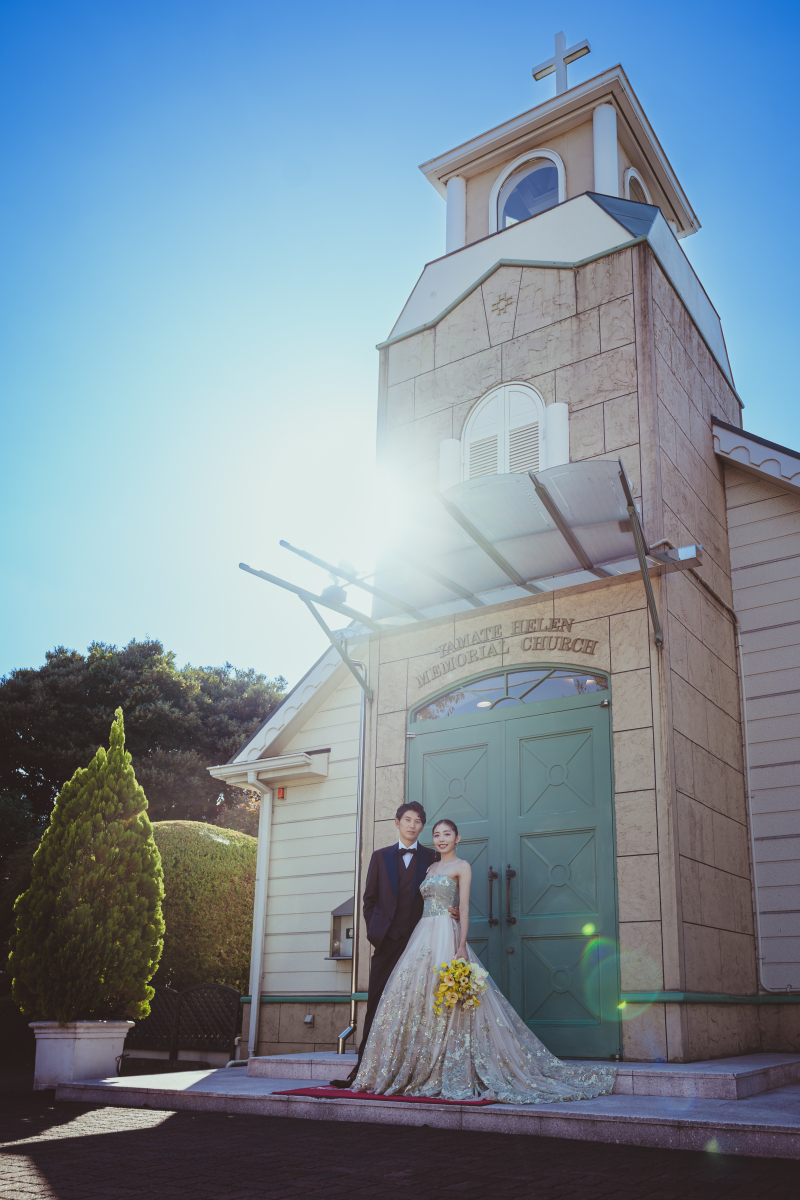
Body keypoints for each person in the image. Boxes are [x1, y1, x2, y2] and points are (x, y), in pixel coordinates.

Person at [349, 817, 617, 1104]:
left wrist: (462, 945)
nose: (441, 839)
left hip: (446, 933)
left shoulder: (462, 866)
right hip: (422, 934)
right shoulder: (429, 866)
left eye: (447, 834)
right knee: (419, 995)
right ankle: (418, 1063)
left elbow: (463, 907)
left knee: (450, 997)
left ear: (457, 838)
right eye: (437, 834)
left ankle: (452, 1064)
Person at [330, 801, 456, 1088]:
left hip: (421, 942)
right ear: (397, 823)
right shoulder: (379, 857)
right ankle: (362, 1070)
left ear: (422, 826)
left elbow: (445, 890)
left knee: (418, 1006)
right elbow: (369, 901)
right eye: (408, 819)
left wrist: (453, 910)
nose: (412, 825)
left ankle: (414, 1070)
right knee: (377, 1002)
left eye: (418, 821)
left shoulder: (433, 857)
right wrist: (377, 934)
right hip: (387, 943)